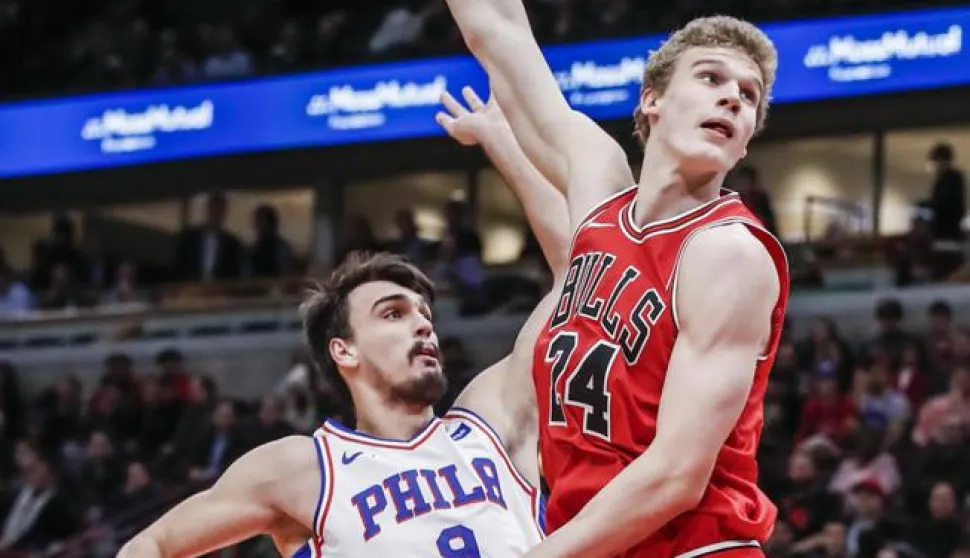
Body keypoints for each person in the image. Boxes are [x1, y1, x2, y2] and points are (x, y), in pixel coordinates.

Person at [117, 88, 568, 558]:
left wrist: (502, 143)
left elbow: (580, 275)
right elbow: (151, 544)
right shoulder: (304, 468)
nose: (423, 326)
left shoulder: (490, 420)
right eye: (394, 313)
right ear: (343, 350)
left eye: (425, 315)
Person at [443, 3, 790, 557]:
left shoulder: (728, 254)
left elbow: (676, 475)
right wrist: (499, 139)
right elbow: (501, 34)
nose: (732, 97)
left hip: (695, 547)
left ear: (745, 140)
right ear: (652, 99)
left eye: (748, 96)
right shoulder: (599, 196)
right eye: (711, 78)